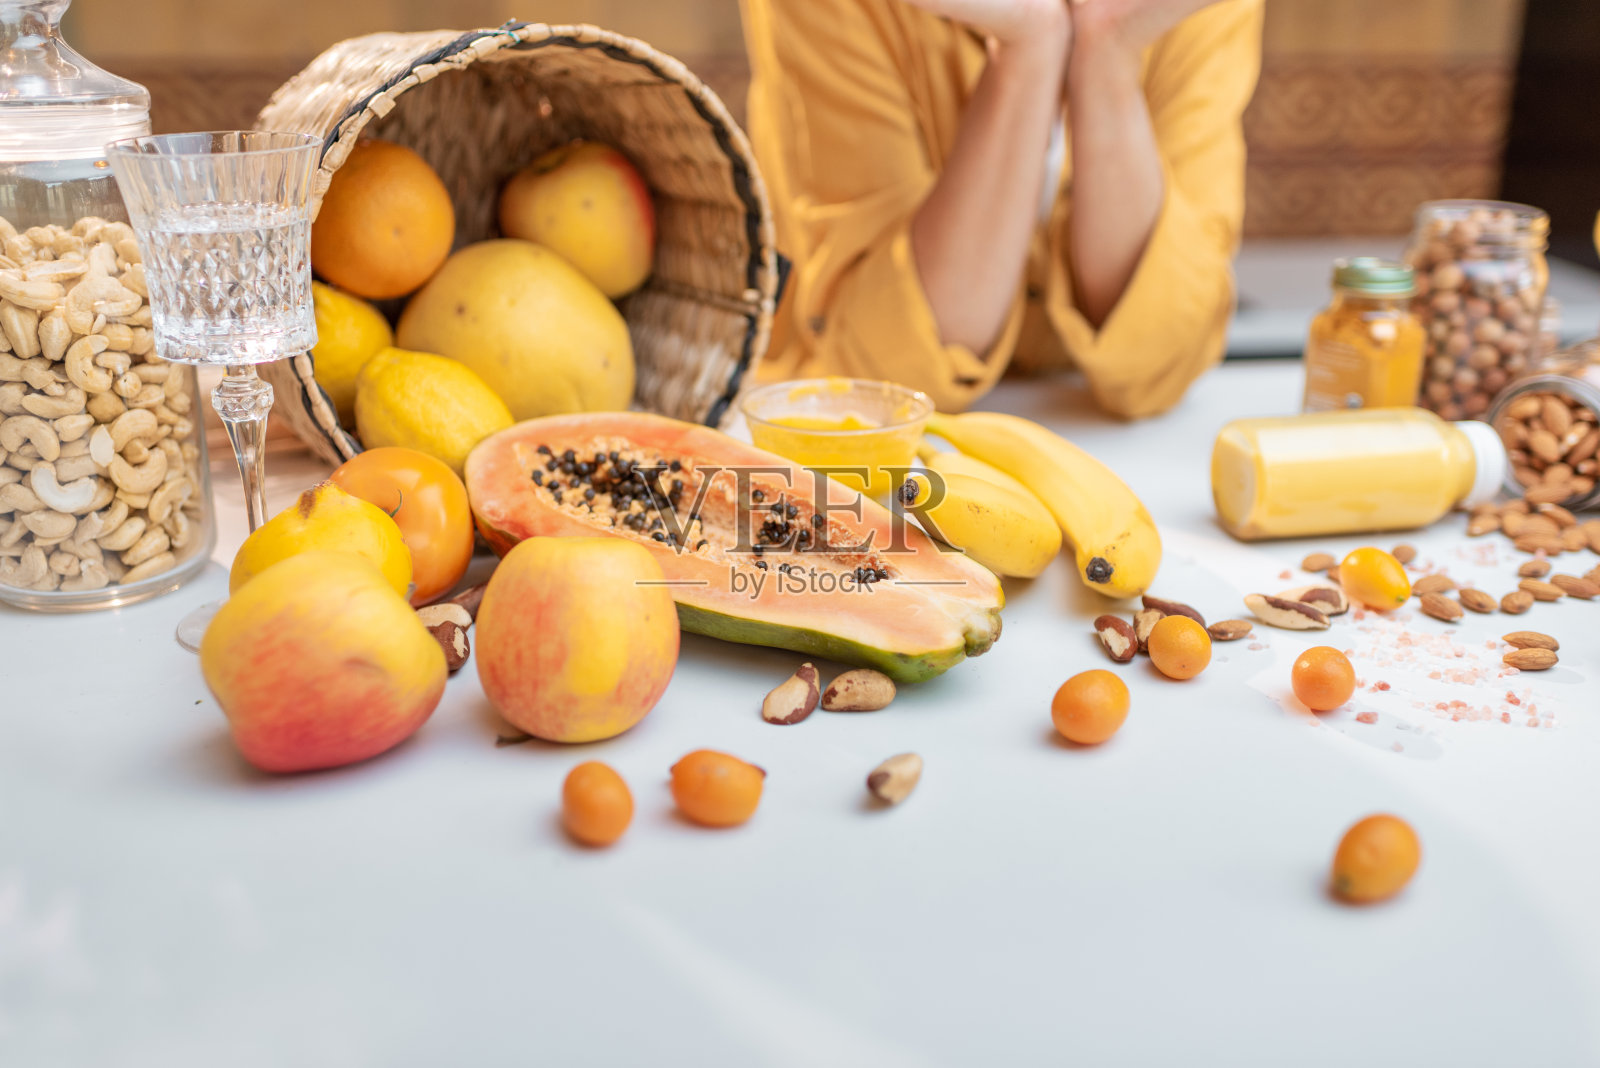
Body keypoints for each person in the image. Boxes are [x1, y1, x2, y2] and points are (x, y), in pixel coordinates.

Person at [740, 0, 1264, 417]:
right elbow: (883, 381)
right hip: (839, 439)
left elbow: (1165, 359)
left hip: (1099, 438)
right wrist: (1028, 49)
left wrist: (1109, 50)